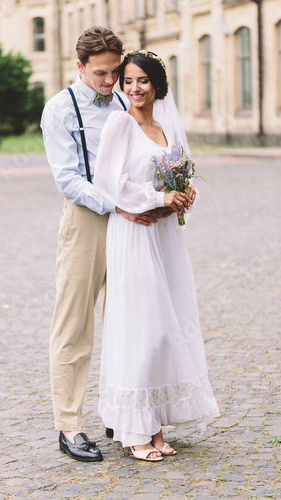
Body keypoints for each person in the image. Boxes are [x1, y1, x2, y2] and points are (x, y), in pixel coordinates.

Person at [40, 27, 170, 463]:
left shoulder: (124, 98)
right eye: (101, 73)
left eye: (116, 71)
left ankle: (124, 415)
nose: (112, 81)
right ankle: (70, 426)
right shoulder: (60, 109)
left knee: (131, 319)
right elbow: (68, 178)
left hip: (132, 225)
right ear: (79, 67)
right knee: (74, 325)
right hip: (89, 221)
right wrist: (118, 206)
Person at [94, 50, 220, 461]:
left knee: (167, 325)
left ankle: (157, 424)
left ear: (157, 85)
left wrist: (183, 196)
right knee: (141, 325)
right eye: (128, 81)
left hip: (165, 234)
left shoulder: (166, 128)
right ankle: (134, 429)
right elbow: (108, 181)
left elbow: (180, 173)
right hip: (134, 233)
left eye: (142, 81)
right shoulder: (120, 124)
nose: (134, 89)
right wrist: (154, 197)